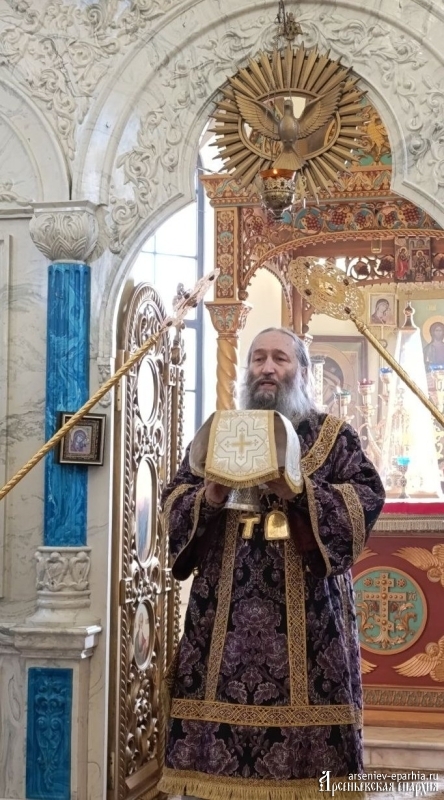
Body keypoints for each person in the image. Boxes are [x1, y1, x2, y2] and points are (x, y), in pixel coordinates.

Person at [159, 328, 385, 800]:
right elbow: (175, 500)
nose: (267, 368)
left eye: (279, 359)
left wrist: (298, 491)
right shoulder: (218, 434)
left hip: (311, 619)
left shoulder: (332, 437)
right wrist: (211, 495)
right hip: (223, 617)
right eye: (258, 358)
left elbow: (365, 498)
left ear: (301, 370)